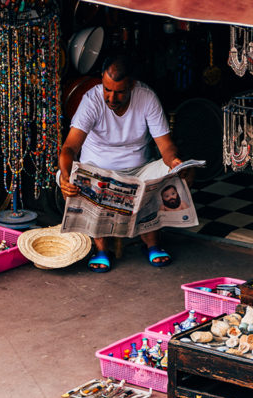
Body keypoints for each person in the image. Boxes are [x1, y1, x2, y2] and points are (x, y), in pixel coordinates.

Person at [59, 55, 188, 273]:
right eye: (107, 89)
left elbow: (166, 146)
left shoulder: (146, 97)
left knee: (173, 172)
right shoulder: (91, 100)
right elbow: (69, 148)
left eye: (119, 92)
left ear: (132, 84)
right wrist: (65, 175)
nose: (111, 97)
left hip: (138, 172)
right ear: (102, 81)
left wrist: (174, 162)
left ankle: (152, 243)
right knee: (73, 179)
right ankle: (101, 248)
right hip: (98, 171)